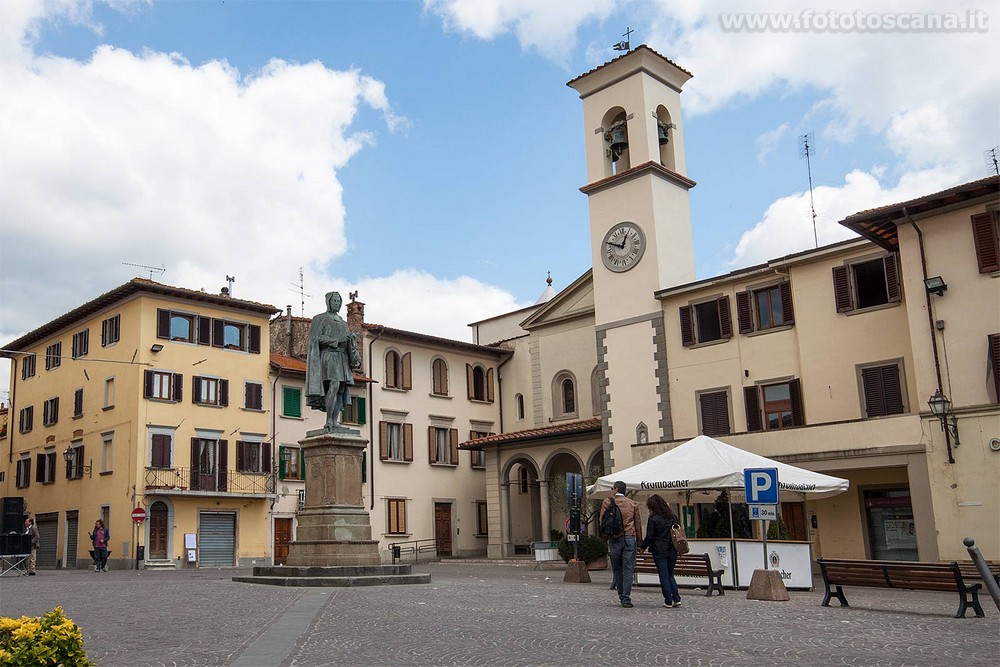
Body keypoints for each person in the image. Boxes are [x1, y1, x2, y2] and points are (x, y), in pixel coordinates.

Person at [305, 291, 362, 433]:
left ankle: (334, 421)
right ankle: (329, 420)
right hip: (329, 356)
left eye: (338, 301)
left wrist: (351, 340)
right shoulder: (320, 319)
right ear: (328, 302)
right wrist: (336, 341)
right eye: (334, 301)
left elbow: (348, 341)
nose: (336, 303)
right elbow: (315, 338)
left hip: (342, 358)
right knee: (334, 384)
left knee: (341, 389)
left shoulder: (343, 323)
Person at [600, 480, 642, 608]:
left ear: (616, 489)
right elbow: (638, 524)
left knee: (617, 569)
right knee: (628, 569)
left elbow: (602, 521)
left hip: (614, 538)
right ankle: (626, 597)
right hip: (629, 537)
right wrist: (639, 543)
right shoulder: (632, 503)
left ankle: (620, 595)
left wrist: (603, 540)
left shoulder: (607, 502)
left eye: (612, 488)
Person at [640, 493, 682, 607]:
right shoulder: (673, 517)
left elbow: (650, 536)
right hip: (672, 548)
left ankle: (668, 600)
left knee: (663, 575)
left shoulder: (653, 518)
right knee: (670, 574)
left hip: (659, 550)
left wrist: (643, 547)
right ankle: (676, 598)